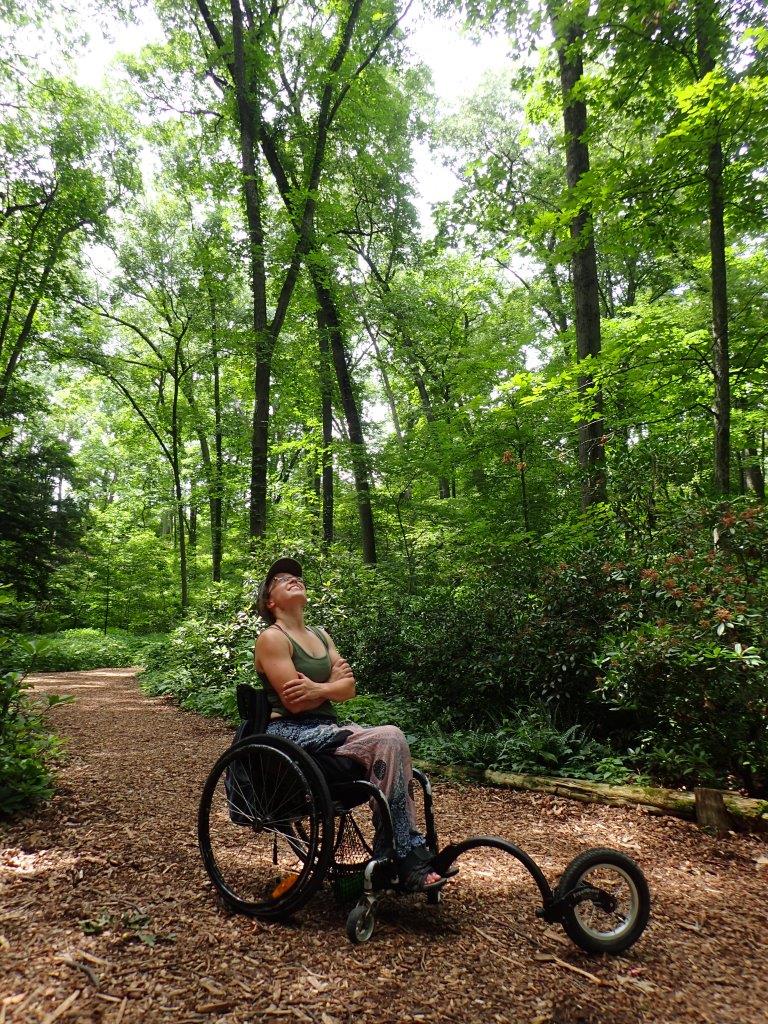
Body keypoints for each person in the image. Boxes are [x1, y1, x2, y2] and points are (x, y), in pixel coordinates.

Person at [254, 556, 453, 892]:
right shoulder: (272, 639)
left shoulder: (321, 635)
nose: (293, 579)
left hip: (327, 732)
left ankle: (394, 851)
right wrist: (330, 687)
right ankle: (403, 854)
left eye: (297, 576)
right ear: (270, 602)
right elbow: (294, 701)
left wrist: (318, 688)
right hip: (291, 736)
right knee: (388, 736)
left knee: (390, 739)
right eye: (281, 578)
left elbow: (349, 688)